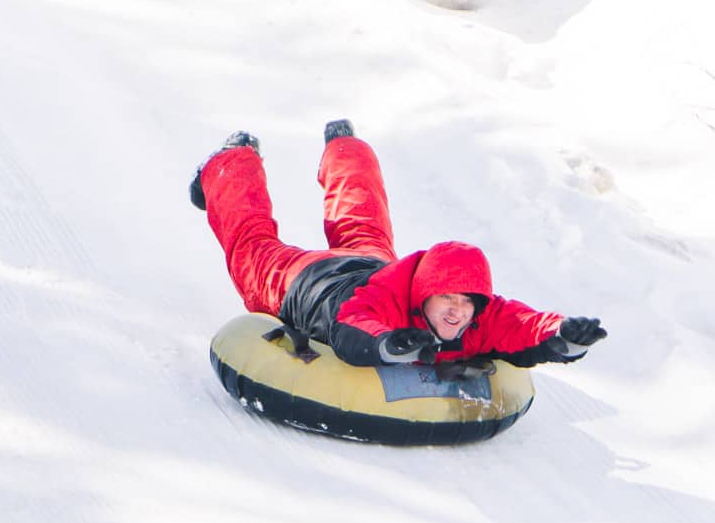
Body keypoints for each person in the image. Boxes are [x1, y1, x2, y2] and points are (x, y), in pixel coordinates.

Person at [190, 120, 607, 368]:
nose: (456, 310)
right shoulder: (382, 303)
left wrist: (564, 334)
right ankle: (232, 160)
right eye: (446, 297)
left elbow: (518, 324)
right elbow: (353, 325)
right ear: (424, 294)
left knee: (361, 218)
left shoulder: (472, 315)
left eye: (466, 301)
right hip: (307, 280)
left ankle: (345, 145)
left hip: (370, 261)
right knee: (251, 247)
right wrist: (389, 345)